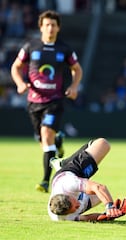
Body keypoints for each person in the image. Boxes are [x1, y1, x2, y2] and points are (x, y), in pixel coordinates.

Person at [11, 10, 83, 193]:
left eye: (53, 25)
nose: (50, 28)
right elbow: (16, 67)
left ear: (58, 28)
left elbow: (77, 69)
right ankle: (58, 142)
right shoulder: (30, 46)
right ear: (41, 27)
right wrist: (20, 83)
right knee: (43, 140)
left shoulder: (64, 49)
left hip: (55, 100)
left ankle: (45, 181)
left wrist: (74, 86)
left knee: (46, 134)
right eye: (47, 25)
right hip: (34, 101)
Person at [48, 137, 126, 221]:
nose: (79, 205)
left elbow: (99, 187)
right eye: (75, 208)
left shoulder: (69, 184)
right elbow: (86, 218)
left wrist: (110, 206)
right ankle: (66, 163)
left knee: (103, 144)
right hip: (74, 190)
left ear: (69, 195)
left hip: (72, 172)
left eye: (76, 205)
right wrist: (109, 216)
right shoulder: (63, 217)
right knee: (100, 196)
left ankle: (62, 164)